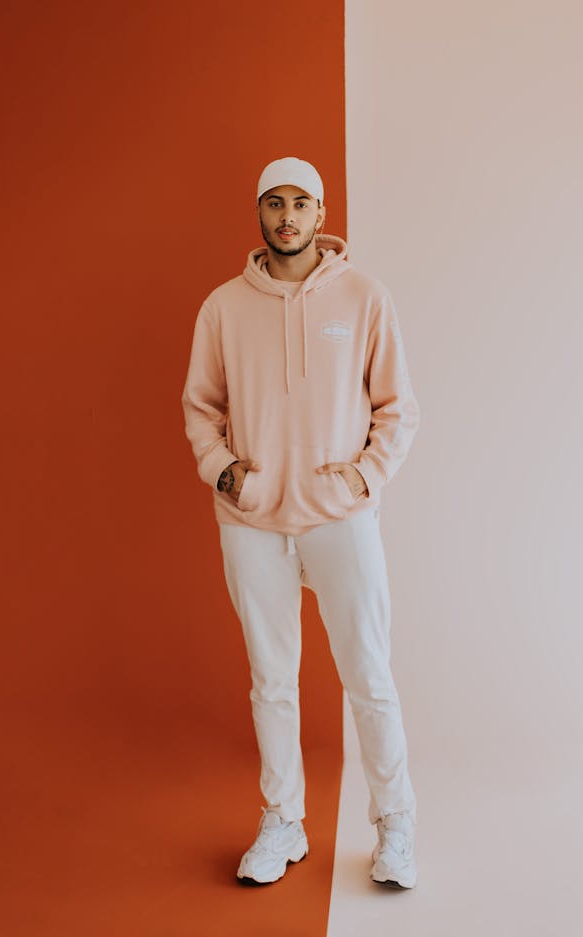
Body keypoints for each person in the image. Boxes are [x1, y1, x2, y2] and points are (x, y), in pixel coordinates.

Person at [181, 156, 419, 889]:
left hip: (339, 518)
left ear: (322, 213)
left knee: (369, 674)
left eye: (301, 204)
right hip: (252, 521)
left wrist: (364, 476)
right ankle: (283, 821)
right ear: (260, 213)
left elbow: (397, 408)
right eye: (274, 203)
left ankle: (395, 824)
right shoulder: (223, 306)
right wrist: (226, 472)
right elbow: (201, 405)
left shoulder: (364, 296)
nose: (287, 216)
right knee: (271, 680)